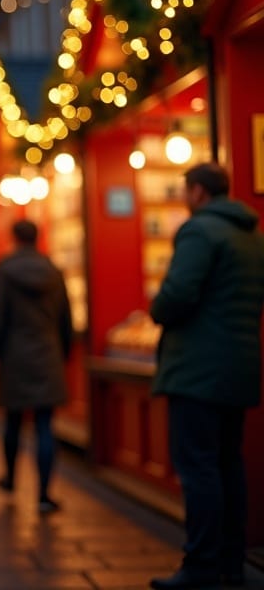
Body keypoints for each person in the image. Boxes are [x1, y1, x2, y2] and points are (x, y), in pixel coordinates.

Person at [148, 163, 264, 590]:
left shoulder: (200, 232)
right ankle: (231, 563)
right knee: (228, 464)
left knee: (197, 468)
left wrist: (157, 308)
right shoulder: (252, 236)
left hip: (197, 368)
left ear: (197, 192)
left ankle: (200, 565)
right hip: (239, 365)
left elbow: (177, 294)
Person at [0, 218, 72, 515]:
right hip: (47, 353)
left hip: (15, 355)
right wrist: (63, 353)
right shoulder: (53, 272)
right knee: (45, 425)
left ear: (14, 238)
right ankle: (44, 493)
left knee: (14, 422)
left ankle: (10, 478)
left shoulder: (5, 272)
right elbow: (65, 319)